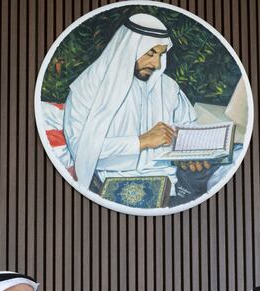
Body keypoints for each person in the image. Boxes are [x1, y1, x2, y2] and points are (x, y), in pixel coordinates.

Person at [63, 13, 215, 199]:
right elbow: (82, 154)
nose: (157, 64)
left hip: (171, 186)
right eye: (150, 53)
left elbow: (190, 130)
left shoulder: (168, 87)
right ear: (128, 48)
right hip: (110, 188)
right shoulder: (86, 88)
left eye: (161, 54)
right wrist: (141, 141)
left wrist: (191, 155)